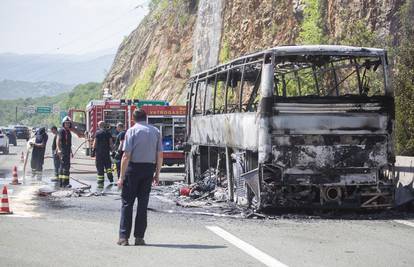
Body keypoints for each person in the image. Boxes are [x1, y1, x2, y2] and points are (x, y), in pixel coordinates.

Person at [117, 109, 163, 246]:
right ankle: (139, 238)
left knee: (127, 203)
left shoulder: (131, 131)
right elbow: (160, 155)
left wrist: (121, 177)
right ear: (146, 117)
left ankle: (124, 237)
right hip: (148, 170)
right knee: (143, 205)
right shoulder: (156, 131)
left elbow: (126, 155)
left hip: (133, 169)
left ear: (133, 118)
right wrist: (157, 174)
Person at [93, 121, 114, 188]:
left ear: (99, 126)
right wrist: (112, 150)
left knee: (100, 167)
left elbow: (95, 143)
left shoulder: (97, 133)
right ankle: (110, 177)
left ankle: (100, 182)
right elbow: (111, 143)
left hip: (99, 154)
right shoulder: (108, 133)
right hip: (106, 153)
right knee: (108, 166)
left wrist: (93, 150)